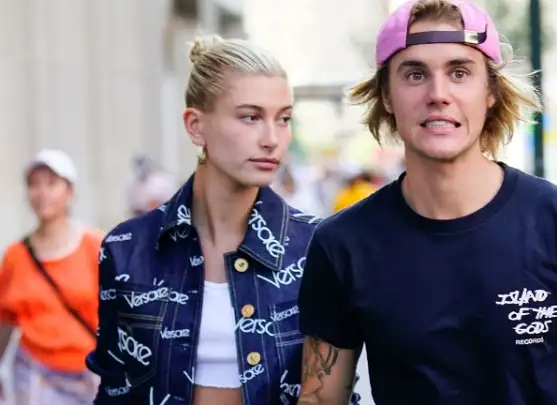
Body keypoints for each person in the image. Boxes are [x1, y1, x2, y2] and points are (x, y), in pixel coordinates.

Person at [296, 1, 557, 404]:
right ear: (386, 95)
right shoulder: (343, 244)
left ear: (490, 91)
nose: (438, 94)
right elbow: (319, 399)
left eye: (459, 73)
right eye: (415, 74)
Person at [86, 36, 348, 405]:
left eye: (284, 119)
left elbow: (332, 395)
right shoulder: (126, 249)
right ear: (196, 125)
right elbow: (115, 390)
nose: (272, 139)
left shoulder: (318, 246)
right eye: (250, 117)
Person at [0, 149, 103, 405]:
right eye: (34, 184)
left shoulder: (96, 246)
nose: (42, 192)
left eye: (51, 183)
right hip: (34, 372)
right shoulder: (16, 255)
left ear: (69, 191)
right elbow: (4, 320)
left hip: (90, 370)